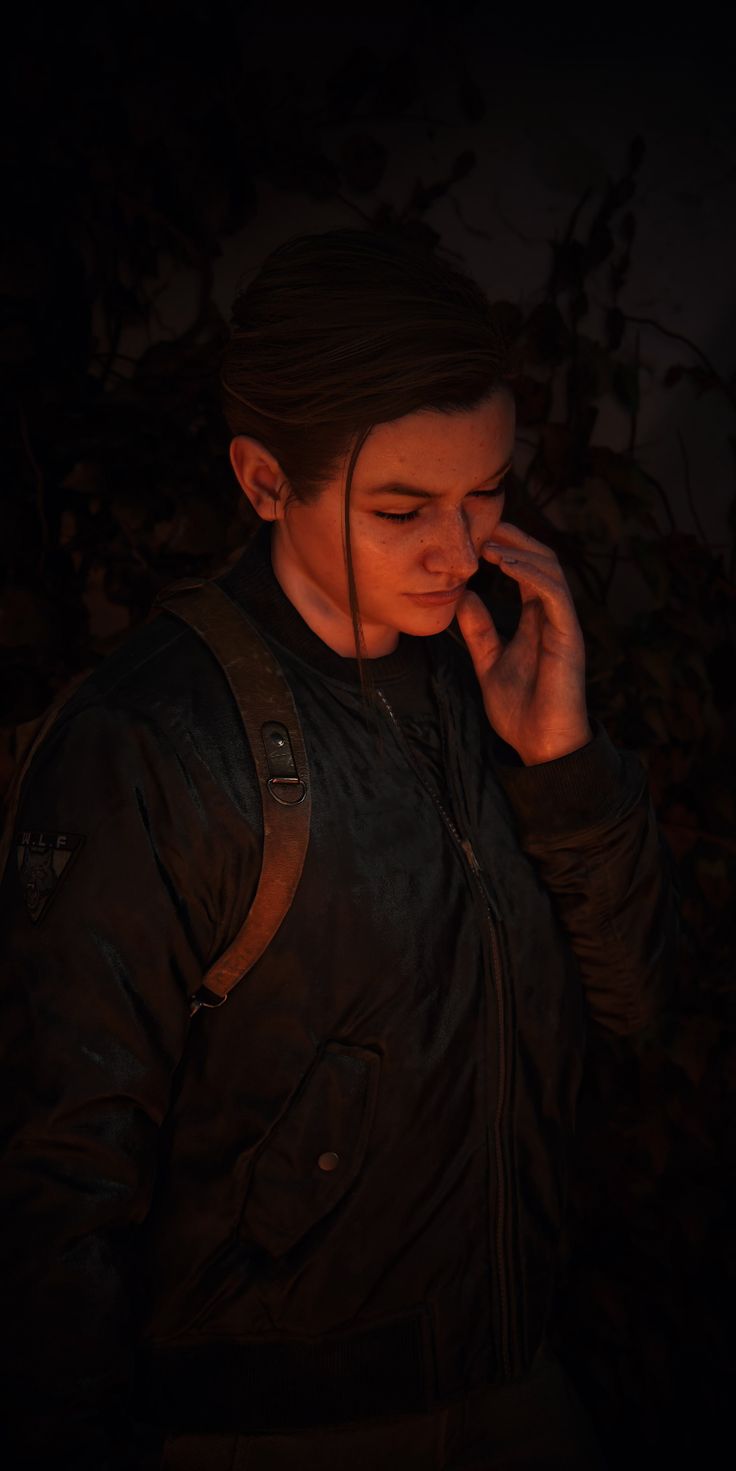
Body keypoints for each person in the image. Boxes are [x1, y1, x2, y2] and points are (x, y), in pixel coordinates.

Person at [0, 228, 679, 1470]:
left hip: (513, 1383)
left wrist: (563, 767)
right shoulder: (154, 743)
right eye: (404, 507)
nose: (463, 549)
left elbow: (634, 1008)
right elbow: (52, 1182)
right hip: (269, 1430)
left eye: (486, 494)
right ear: (264, 482)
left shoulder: (485, 669)